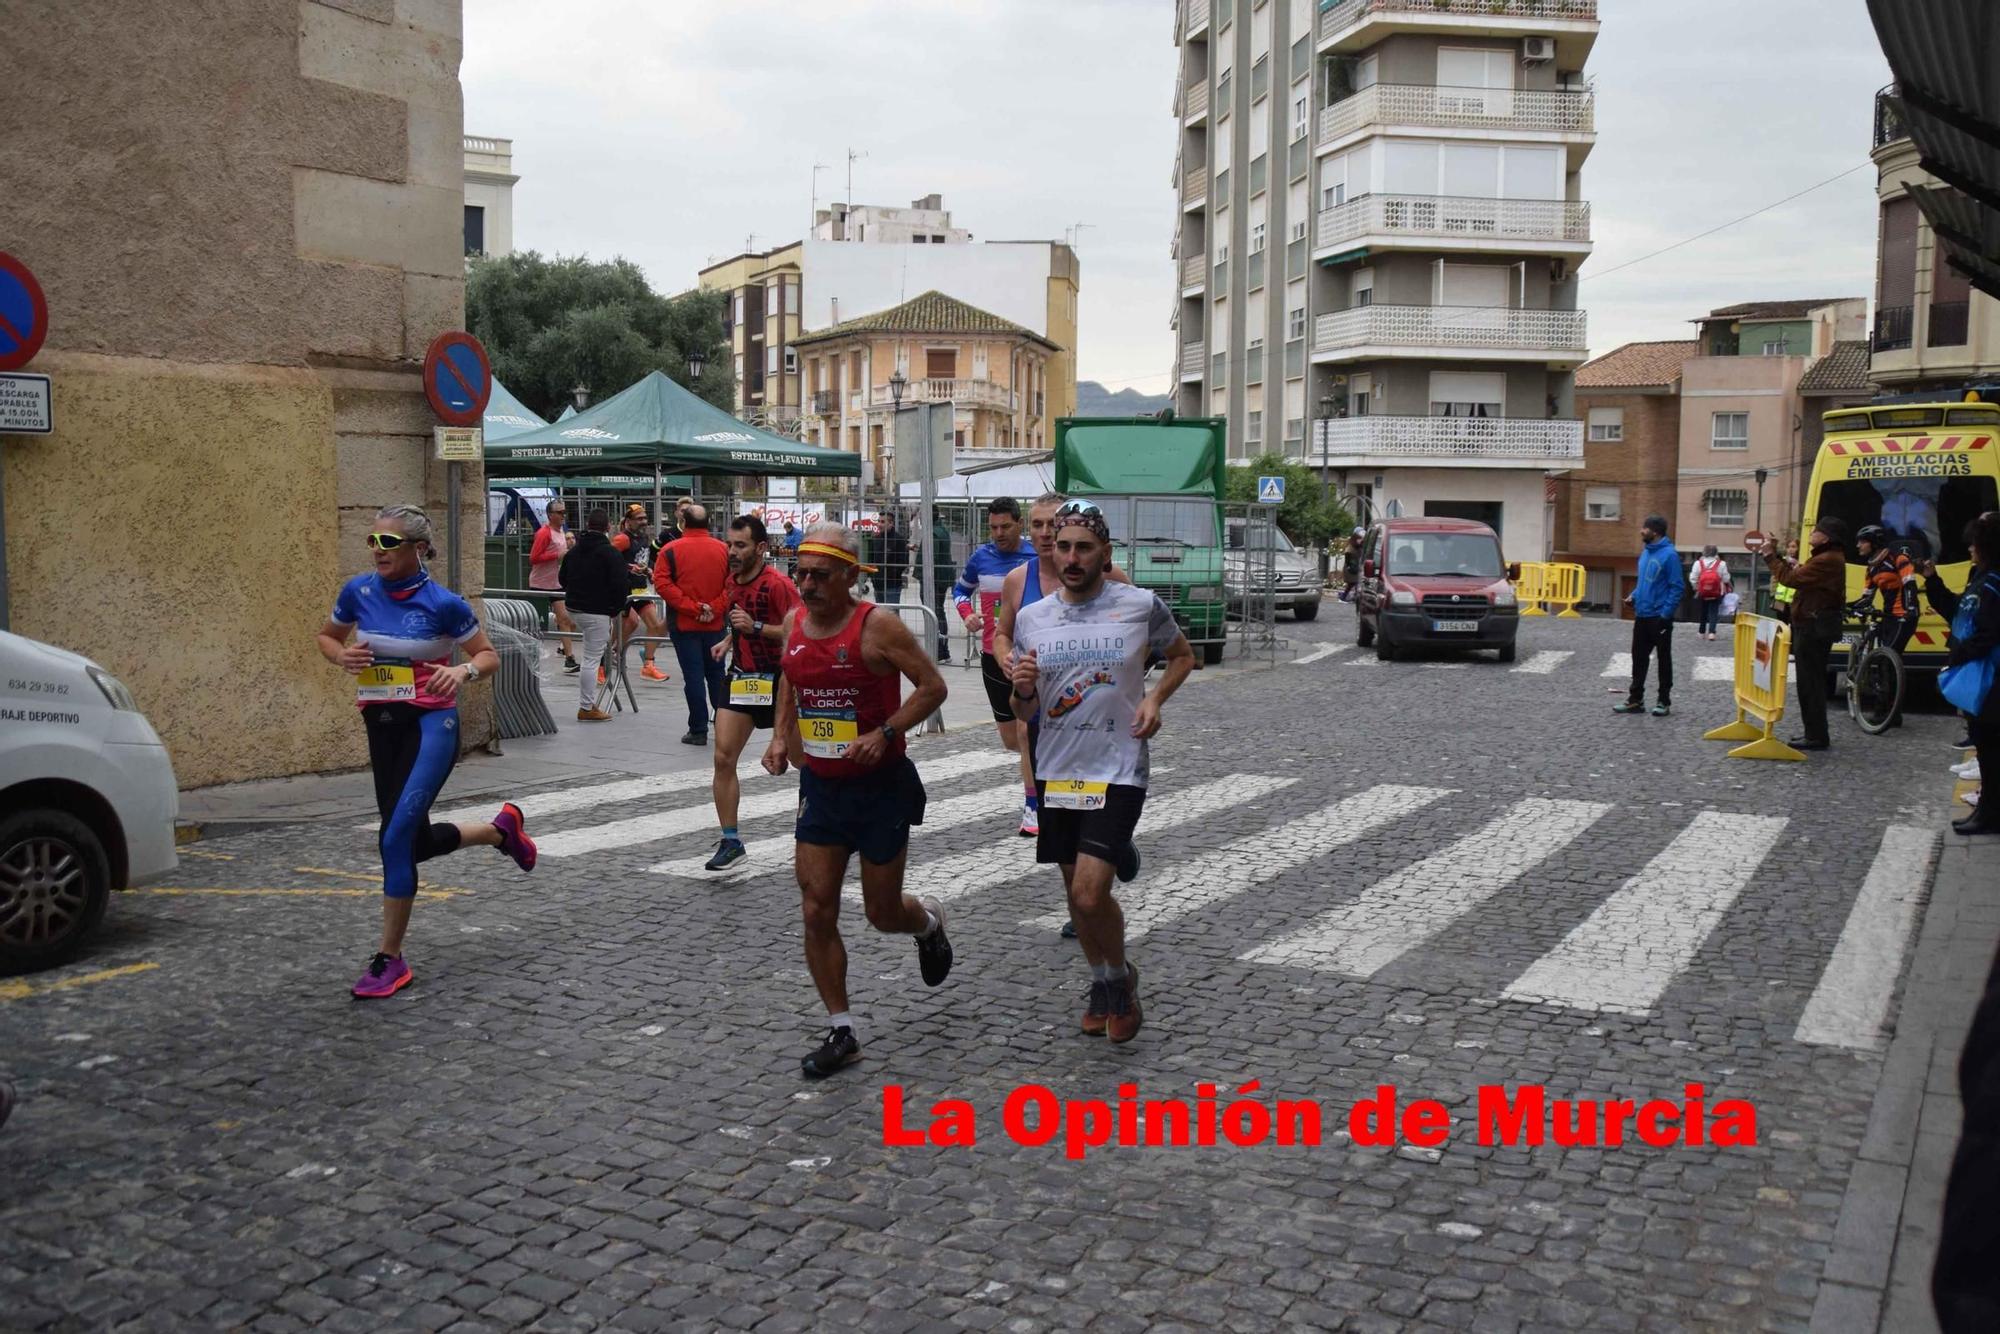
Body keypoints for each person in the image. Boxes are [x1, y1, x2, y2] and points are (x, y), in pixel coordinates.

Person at [315, 504, 537, 997]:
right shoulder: (358, 592)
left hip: (433, 724)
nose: (377, 551)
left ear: (418, 549)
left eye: (388, 543)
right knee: (410, 842)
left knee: (394, 840)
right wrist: (341, 655)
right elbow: (328, 639)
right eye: (372, 541)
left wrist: (462, 671)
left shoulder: (444, 603)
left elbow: (488, 654)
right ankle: (500, 831)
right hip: (383, 722)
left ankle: (390, 959)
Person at [762, 523, 953, 1077]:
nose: (807, 585)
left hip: (879, 787)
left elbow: (933, 687)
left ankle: (928, 925)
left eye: (820, 575)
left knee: (880, 912)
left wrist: (887, 733)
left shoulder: (879, 628)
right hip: (821, 788)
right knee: (815, 907)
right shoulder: (796, 620)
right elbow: (791, 679)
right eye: (800, 573)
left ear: (851, 576)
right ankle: (843, 1028)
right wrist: (779, 735)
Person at [1009, 500, 1195, 1043]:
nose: (1070, 556)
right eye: (1063, 546)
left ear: (1105, 554)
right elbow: (1025, 712)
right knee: (1074, 894)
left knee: (1091, 894)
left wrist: (1156, 699)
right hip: (1059, 768)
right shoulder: (1032, 618)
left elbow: (1182, 656)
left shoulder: (1139, 605)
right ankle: (1104, 980)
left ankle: (1118, 979)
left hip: (1118, 767)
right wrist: (1022, 690)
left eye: (1083, 548)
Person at [993, 493, 1137, 941]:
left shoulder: (1110, 575)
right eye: (1035, 525)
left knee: (1093, 811)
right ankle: (1078, 901)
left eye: (1048, 525)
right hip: (1043, 711)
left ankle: (1106, 850)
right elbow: (1003, 632)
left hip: (1098, 727)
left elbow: (1138, 633)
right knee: (1060, 822)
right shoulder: (1020, 579)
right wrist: (1008, 662)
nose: (1041, 533)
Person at [702, 513, 800, 870]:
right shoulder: (732, 581)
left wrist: (756, 626)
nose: (732, 551)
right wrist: (730, 639)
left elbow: (798, 632)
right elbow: (741, 620)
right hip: (742, 678)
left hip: (781, 681)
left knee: (806, 763)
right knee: (723, 758)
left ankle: (818, 827)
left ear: (760, 548)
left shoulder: (778, 585)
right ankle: (731, 841)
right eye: (730, 543)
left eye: (740, 545)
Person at [951, 497, 1039, 833]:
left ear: (1019, 523)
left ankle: (1034, 805)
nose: (999, 533)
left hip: (1028, 655)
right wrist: (967, 613)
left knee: (1024, 730)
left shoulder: (1036, 557)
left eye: (1005, 526)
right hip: (993, 656)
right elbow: (960, 592)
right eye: (993, 528)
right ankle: (1039, 764)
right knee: (1010, 738)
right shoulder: (981, 557)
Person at [1931, 513, 2000, 834]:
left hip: (1991, 678)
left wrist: (1960, 653)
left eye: (1976, 542)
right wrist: (1932, 581)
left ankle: (1990, 814)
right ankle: (1987, 811)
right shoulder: (1982, 578)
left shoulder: (1994, 582)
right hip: (1981, 675)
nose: (1970, 547)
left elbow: (1987, 632)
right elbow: (1958, 610)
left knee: (1991, 750)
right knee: (1986, 749)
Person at [1760, 517, 1850, 752]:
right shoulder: (1826, 557)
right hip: (1812, 623)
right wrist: (1779, 555)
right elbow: (1798, 576)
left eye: (1817, 531)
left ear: (1826, 537)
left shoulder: (1827, 560)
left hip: (1813, 626)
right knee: (1811, 682)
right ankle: (1814, 733)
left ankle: (1816, 736)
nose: (1812, 534)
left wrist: (1770, 556)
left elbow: (1791, 579)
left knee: (1810, 683)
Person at [655, 503, 730, 745]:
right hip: (716, 625)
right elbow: (733, 585)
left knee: (693, 677)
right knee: (717, 676)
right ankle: (725, 727)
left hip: (685, 625)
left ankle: (698, 729)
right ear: (709, 523)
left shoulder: (669, 550)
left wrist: (693, 608)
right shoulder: (724, 550)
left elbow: (663, 584)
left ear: (683, 523)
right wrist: (713, 608)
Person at [557, 508, 630, 722]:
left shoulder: (574, 552)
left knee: (590, 656)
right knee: (591, 660)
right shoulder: (610, 553)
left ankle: (588, 705)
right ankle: (586, 706)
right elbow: (620, 585)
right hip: (597, 612)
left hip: (574, 608)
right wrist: (614, 609)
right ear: (608, 527)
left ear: (588, 526)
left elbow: (562, 580)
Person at [1614, 515, 1681, 718]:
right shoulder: (1645, 553)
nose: (1641, 531)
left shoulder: (1670, 555)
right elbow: (1645, 583)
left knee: (1663, 660)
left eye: (1645, 528)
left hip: (1659, 617)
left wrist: (1665, 614)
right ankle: (1636, 700)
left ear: (1655, 532)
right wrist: (1633, 596)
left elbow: (1677, 587)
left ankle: (1663, 701)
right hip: (1642, 615)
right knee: (1638, 658)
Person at [611, 504, 671, 684]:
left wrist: (649, 571)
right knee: (628, 623)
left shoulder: (644, 537)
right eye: (639, 519)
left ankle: (648, 666)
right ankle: (607, 655)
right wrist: (629, 567)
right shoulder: (622, 539)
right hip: (624, 589)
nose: (644, 522)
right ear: (628, 521)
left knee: (656, 626)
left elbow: (643, 560)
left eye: (645, 518)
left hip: (640, 588)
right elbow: (607, 559)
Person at [527, 500, 579, 672]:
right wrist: (557, 555)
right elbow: (534, 558)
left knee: (565, 619)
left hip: (556, 583)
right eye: (560, 512)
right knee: (533, 624)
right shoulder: (544, 533)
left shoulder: (561, 531)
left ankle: (569, 658)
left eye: (565, 512)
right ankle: (528, 655)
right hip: (540, 584)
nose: (564, 515)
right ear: (550, 515)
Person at [1688, 544, 1732, 641]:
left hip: (1702, 591)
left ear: (1704, 552)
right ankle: (1712, 632)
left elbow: (1693, 578)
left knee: (1703, 611)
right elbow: (1726, 579)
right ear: (1716, 553)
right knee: (1714, 611)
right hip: (1716, 592)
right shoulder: (1721, 564)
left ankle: (1701, 632)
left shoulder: (1698, 563)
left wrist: (1696, 587)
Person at [931, 512, 956, 660]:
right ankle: (942, 650)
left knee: (935, 613)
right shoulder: (942, 531)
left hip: (935, 578)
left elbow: (932, 557)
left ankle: (940, 650)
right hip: (941, 576)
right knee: (938, 612)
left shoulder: (934, 533)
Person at [881, 516, 909, 607]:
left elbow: (903, 562)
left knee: (892, 614)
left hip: (892, 584)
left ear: (891, 523)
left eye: (882, 522)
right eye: (878, 521)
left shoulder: (899, 540)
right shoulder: (877, 539)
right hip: (878, 584)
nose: (879, 524)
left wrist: (892, 574)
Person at [1342, 529, 1365, 602]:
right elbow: (1347, 559)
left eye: (1360, 539)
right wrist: (1349, 566)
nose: (1360, 540)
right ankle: (1353, 597)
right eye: (1358, 539)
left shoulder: (1359, 547)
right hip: (1351, 568)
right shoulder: (1350, 548)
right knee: (1353, 583)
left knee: (1353, 584)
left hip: (1355, 567)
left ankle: (1348, 597)